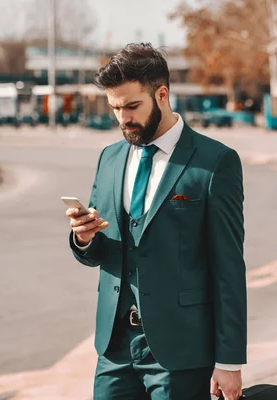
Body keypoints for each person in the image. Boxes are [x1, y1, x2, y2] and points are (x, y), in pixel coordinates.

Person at [66, 43, 247, 400]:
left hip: (180, 352)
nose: (123, 119)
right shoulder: (110, 157)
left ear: (162, 95)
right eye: (115, 108)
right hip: (114, 349)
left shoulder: (215, 162)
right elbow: (101, 251)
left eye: (132, 106)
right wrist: (84, 238)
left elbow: (228, 267)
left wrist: (229, 361)